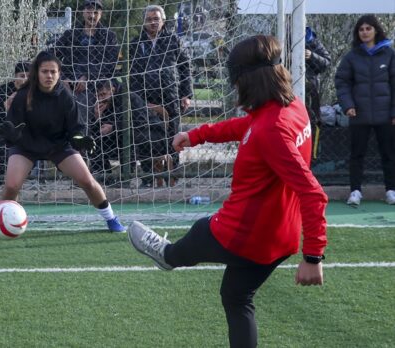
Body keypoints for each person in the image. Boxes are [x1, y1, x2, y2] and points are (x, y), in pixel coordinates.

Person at [127, 36, 328, 348]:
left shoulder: (271, 130)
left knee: (201, 229)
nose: (235, 88)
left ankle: (167, 255)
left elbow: (313, 193)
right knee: (236, 298)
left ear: (247, 80)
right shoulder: (291, 107)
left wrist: (313, 257)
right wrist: (196, 135)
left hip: (246, 233)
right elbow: (246, 126)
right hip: (281, 237)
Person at [0, 50, 125, 233]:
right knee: (11, 185)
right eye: (44, 71)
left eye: (53, 72)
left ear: (59, 74)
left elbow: (76, 129)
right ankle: (4, 221)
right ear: (37, 73)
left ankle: (111, 219)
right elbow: (11, 128)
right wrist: (11, 133)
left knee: (87, 181)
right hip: (26, 145)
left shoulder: (65, 97)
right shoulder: (22, 96)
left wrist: (79, 140)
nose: (49, 75)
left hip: (59, 145)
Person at [334, 15, 395, 206]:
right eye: (361, 29)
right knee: (356, 154)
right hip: (358, 115)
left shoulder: (389, 54)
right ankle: (355, 192)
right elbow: (342, 82)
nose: (365, 32)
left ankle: (391, 191)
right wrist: (348, 105)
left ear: (376, 30)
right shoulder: (351, 57)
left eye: (368, 28)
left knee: (389, 154)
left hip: (386, 116)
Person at [129, 5, 192, 172]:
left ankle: (173, 173)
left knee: (173, 136)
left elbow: (185, 67)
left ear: (163, 21)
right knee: (145, 136)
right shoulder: (136, 43)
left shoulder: (173, 40)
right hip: (144, 97)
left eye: (156, 19)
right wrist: (137, 100)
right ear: (143, 23)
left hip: (170, 95)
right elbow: (132, 73)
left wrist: (186, 94)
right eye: (149, 19)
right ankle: (149, 174)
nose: (153, 22)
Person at [52, 0, 119, 108]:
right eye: (89, 11)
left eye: (96, 13)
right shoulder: (70, 34)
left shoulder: (110, 37)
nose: (92, 16)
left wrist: (87, 77)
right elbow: (52, 55)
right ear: (83, 12)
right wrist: (62, 77)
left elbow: (110, 64)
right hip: (69, 82)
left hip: (97, 83)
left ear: (101, 15)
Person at [0, 61, 30, 179]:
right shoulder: (5, 89)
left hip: (26, 128)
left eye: (29, 76)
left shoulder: (35, 91)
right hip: (4, 126)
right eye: (22, 76)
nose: (25, 79)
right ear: (15, 76)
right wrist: (7, 107)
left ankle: (21, 177)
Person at [304, 26, 331, 126]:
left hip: (311, 85)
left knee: (311, 119)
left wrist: (312, 55)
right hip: (290, 84)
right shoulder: (285, 40)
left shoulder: (313, 41)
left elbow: (326, 62)